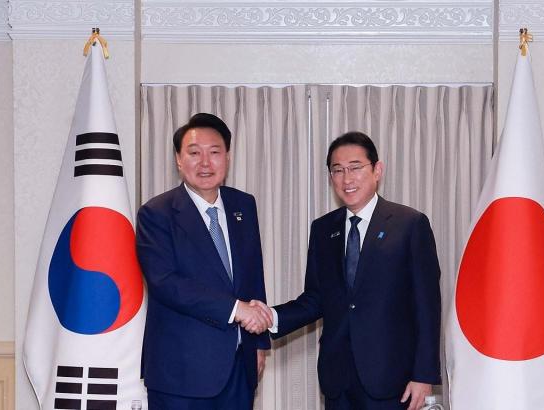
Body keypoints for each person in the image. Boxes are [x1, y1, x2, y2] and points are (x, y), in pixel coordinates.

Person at [259, 131, 442, 410]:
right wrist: (270, 317)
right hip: (338, 379)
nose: (347, 179)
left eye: (355, 168)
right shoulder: (323, 229)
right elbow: (316, 299)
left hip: (394, 380)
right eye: (338, 170)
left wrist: (424, 375)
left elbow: (427, 306)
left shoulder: (409, 224)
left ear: (377, 170)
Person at [136, 113, 273, 410]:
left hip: (239, 366)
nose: (205, 163)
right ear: (178, 159)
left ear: (228, 157)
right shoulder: (156, 213)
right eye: (194, 153)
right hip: (181, 373)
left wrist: (259, 343)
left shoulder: (243, 205)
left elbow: (252, 276)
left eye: (214, 152)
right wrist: (236, 309)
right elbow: (165, 283)